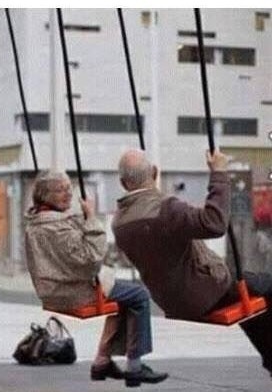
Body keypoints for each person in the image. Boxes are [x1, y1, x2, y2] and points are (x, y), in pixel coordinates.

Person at [113, 148, 272, 377]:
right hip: (206, 292)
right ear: (155, 173)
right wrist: (218, 173)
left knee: (254, 309)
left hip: (171, 301)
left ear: (122, 182)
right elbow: (214, 223)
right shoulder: (166, 210)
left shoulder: (119, 222)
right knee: (264, 288)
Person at [24, 172, 168, 387]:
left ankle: (102, 361)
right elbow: (91, 258)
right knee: (139, 295)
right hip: (74, 291)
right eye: (60, 189)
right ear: (45, 195)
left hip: (55, 287)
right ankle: (135, 368)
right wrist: (91, 218)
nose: (68, 194)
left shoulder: (36, 222)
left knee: (121, 299)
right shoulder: (56, 227)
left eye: (69, 188)